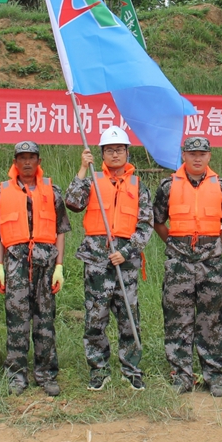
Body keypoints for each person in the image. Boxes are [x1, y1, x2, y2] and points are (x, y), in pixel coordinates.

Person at [65, 126, 153, 392]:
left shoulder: (138, 186)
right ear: (101, 154)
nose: (115, 154)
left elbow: (145, 226)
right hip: (97, 261)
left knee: (129, 317)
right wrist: (82, 169)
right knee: (96, 317)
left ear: (127, 152)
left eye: (119, 149)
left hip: (126, 262)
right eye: (109, 150)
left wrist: (126, 252)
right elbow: (72, 202)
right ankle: (98, 370)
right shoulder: (92, 179)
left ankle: (131, 369)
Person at [153, 136, 222, 397]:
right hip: (178, 263)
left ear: (209, 156)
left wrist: (211, 246)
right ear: (184, 156)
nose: (197, 158)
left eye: (202, 154)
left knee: (211, 319)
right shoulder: (168, 185)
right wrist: (176, 245)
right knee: (177, 318)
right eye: (192, 154)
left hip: (210, 263)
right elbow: (158, 222)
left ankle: (214, 375)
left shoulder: (221, 185)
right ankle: (181, 375)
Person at [0, 141, 70, 397]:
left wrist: (59, 267)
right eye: (22, 158)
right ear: (15, 162)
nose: (27, 162)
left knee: (45, 321)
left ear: (38, 161)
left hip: (45, 265)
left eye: (31, 157)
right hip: (15, 264)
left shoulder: (52, 191)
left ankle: (46, 374)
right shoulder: (1, 192)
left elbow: (60, 231)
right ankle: (16, 375)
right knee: (17, 322)